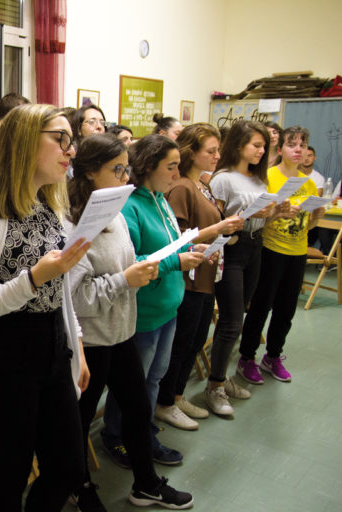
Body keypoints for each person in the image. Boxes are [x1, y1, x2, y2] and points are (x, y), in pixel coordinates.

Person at [0, 103, 90, 511]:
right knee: (11, 472)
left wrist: (76, 344)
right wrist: (32, 279)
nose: (70, 151)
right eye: (59, 139)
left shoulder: (51, 207)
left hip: (52, 343)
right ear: (25, 142)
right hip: (4, 353)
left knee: (67, 467)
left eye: (71, 141)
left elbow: (61, 291)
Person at [67, 134, 193, 510]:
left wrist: (136, 273)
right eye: (116, 169)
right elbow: (76, 298)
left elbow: (125, 267)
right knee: (81, 418)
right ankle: (80, 486)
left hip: (122, 332)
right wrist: (127, 279)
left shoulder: (116, 211)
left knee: (138, 409)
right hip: (90, 341)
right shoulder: (72, 221)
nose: (125, 177)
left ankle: (146, 484)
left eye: (127, 168)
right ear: (89, 172)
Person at [100, 134, 204, 467]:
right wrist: (178, 262)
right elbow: (132, 261)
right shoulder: (130, 206)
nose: (177, 174)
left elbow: (170, 245)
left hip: (167, 307)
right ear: (147, 166)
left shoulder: (161, 200)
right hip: (143, 311)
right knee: (133, 385)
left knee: (154, 378)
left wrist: (191, 250)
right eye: (171, 167)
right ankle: (116, 436)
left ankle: (142, 431)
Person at [154, 124, 245, 430]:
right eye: (211, 151)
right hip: (189, 278)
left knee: (193, 341)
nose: (218, 156)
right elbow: (177, 238)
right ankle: (166, 401)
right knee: (181, 344)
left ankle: (177, 396)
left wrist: (226, 231)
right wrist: (218, 230)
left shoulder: (202, 184)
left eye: (219, 150)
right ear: (191, 152)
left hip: (206, 274)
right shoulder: (181, 187)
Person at [238, 126, 324, 383]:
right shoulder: (267, 177)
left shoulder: (308, 183)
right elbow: (254, 219)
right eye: (292, 144)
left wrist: (315, 215)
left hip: (297, 252)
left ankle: (273, 356)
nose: (299, 150)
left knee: (286, 309)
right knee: (261, 306)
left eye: (303, 145)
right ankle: (246, 358)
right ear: (280, 149)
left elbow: (307, 226)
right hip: (270, 250)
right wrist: (278, 211)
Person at [207, 120, 279, 415]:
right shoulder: (222, 178)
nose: (262, 151)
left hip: (255, 245)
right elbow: (214, 222)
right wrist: (246, 217)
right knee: (231, 320)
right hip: (232, 249)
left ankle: (222, 378)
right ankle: (215, 386)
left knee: (242, 312)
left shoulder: (258, 179)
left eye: (264, 147)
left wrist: (276, 212)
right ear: (238, 145)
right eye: (257, 146)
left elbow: (263, 219)